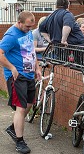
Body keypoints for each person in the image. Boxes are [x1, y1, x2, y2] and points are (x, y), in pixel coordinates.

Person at [0, 11, 42, 154]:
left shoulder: (28, 33)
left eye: (31, 27)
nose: (29, 29)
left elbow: (31, 51)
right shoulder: (11, 36)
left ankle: (13, 128)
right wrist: (11, 68)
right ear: (19, 22)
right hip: (17, 76)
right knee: (21, 107)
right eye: (27, 27)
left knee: (29, 104)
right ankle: (20, 142)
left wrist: (37, 68)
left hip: (29, 75)